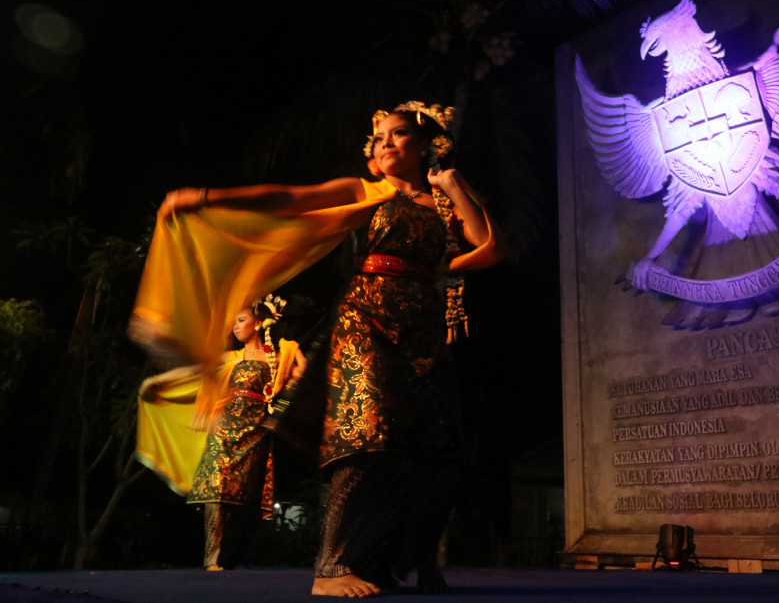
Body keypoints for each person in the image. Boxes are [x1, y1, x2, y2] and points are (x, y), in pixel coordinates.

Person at [130, 101, 506, 597]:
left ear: (426, 144)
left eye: (398, 135)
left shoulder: (444, 200)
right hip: (365, 321)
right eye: (380, 139)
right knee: (363, 433)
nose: (387, 143)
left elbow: (491, 247)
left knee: (438, 444)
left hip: (423, 327)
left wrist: (453, 186)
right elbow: (290, 198)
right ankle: (332, 568)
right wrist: (208, 196)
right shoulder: (365, 191)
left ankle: (410, 561)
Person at [137, 295, 305, 570]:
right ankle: (211, 559)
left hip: (255, 431)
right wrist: (157, 381)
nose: (235, 327)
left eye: (241, 320)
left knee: (244, 497)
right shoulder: (231, 358)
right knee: (216, 492)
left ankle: (232, 558)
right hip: (224, 429)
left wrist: (290, 355)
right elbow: (196, 371)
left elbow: (300, 372)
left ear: (258, 323)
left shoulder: (276, 356)